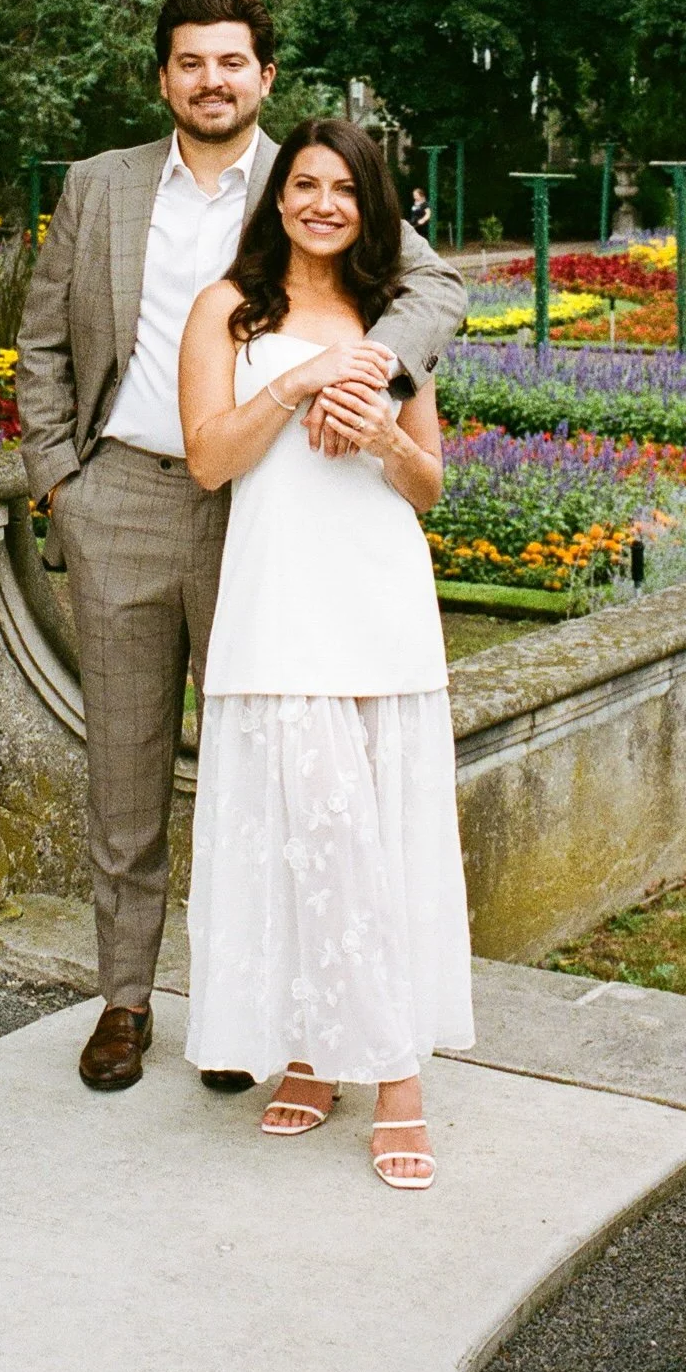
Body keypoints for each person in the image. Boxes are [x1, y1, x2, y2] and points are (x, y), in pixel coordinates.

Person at [17, 0, 466, 1096]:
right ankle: (125, 1000)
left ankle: (252, 1012)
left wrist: (371, 376)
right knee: (124, 771)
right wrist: (60, 481)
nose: (210, 80)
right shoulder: (99, 185)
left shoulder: (308, 179)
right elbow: (42, 341)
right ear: (162, 76)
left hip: (267, 510)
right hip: (121, 495)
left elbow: (434, 283)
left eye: (231, 62)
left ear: (264, 75)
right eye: (190, 61)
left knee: (265, 778)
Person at [178, 117, 473, 1188]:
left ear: (370, 204)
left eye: (344, 188)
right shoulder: (227, 307)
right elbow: (208, 458)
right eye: (304, 184)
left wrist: (380, 423)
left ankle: (391, 1081)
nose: (322, 204)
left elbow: (426, 484)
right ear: (278, 196)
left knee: (376, 843)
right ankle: (318, 1049)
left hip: (378, 600)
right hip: (278, 605)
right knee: (310, 839)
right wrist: (300, 382)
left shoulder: (389, 320)